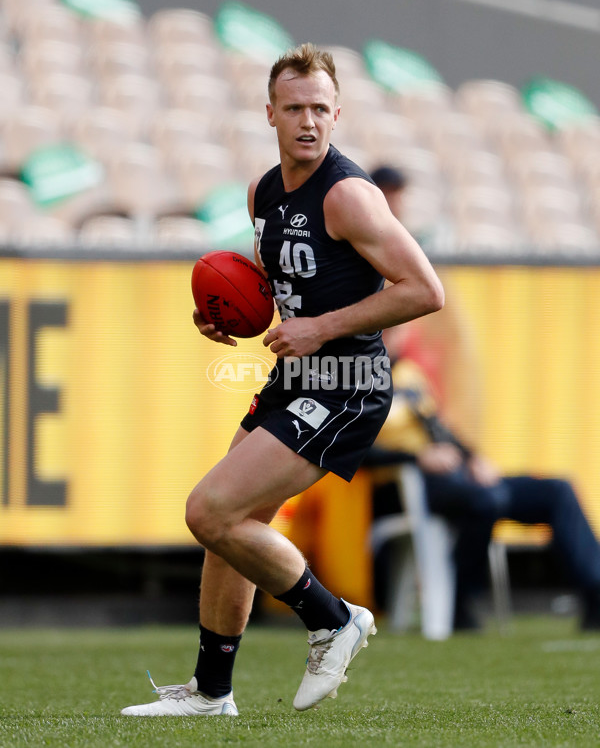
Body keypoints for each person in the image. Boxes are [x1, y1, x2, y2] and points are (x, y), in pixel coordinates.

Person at [121, 44, 444, 717]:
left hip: (346, 380)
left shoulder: (350, 194)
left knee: (210, 510)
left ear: (337, 114)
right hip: (296, 375)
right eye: (295, 108)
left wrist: (322, 328)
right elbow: (289, 278)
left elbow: (423, 289)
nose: (308, 121)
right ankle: (212, 693)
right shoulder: (263, 190)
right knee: (228, 524)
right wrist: (222, 313)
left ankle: (333, 620)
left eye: (320, 109)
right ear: (269, 112)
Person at [369, 328, 600, 631]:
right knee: (487, 500)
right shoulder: (357, 383)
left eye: (398, 330)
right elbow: (353, 452)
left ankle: (595, 594)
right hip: (409, 487)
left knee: (556, 490)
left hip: (457, 478)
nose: (393, 338)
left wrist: (473, 457)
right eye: (386, 331)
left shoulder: (411, 375)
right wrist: (416, 459)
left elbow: (438, 428)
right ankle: (462, 600)